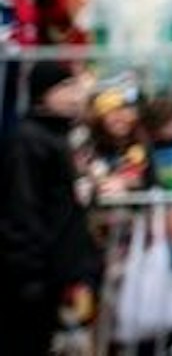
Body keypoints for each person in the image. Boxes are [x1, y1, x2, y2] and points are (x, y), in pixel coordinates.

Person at [0, 61, 102, 355]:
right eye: (64, 87)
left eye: (74, 86)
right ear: (43, 94)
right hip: (35, 280)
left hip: (64, 276)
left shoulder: (65, 138)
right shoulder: (28, 141)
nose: (74, 95)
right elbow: (20, 211)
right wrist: (29, 276)